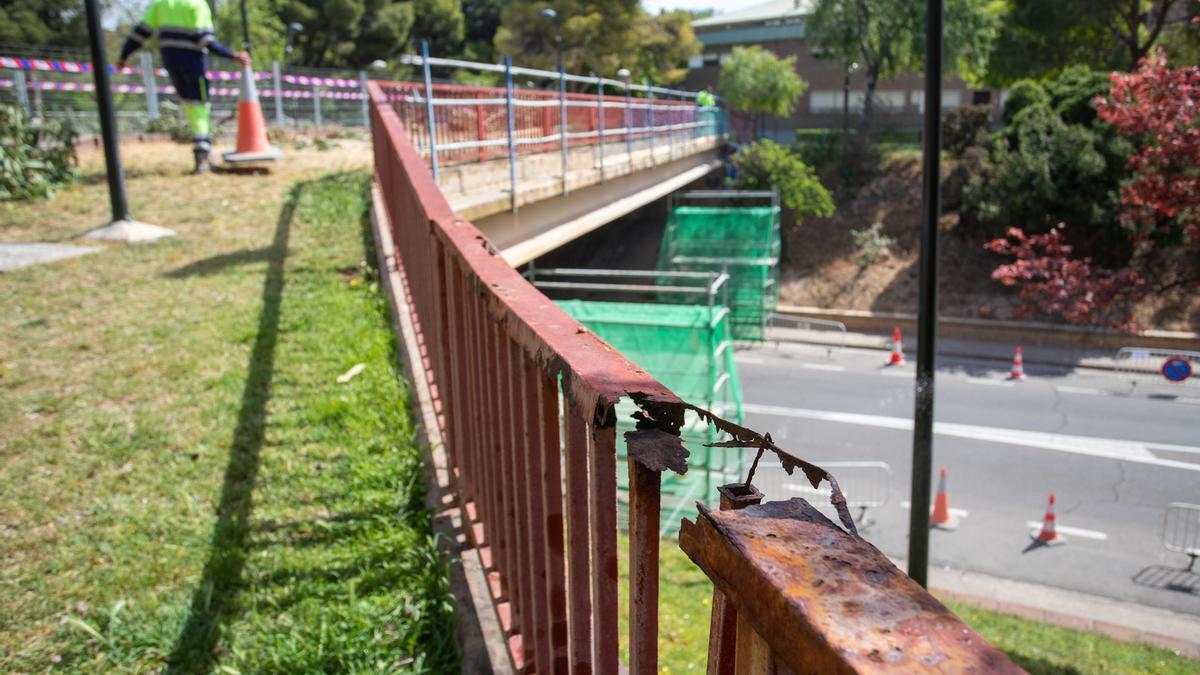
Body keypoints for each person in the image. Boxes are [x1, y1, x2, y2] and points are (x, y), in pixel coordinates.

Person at [116, 0, 250, 174]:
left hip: (171, 64)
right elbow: (205, 40)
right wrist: (232, 55)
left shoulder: (163, 4)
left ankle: (203, 152)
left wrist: (124, 55)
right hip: (194, 64)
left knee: (190, 105)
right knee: (200, 108)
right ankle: (202, 156)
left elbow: (141, 32)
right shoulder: (196, 4)